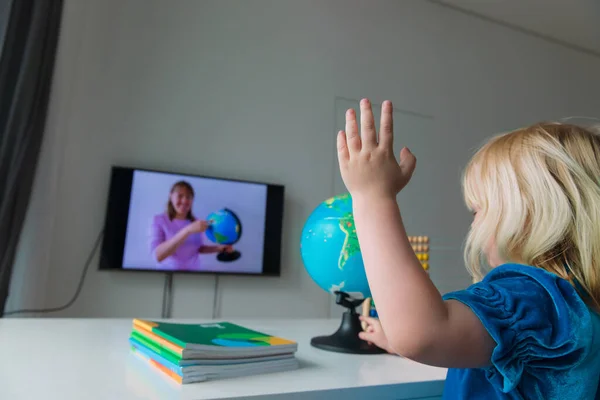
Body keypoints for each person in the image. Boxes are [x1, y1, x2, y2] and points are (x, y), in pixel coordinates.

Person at [337, 98, 600, 399]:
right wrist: (395, 339)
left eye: (478, 211)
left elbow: (423, 334)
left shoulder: (534, 298)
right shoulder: (576, 304)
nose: (473, 226)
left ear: (527, 216)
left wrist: (372, 196)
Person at [149, 180, 233, 270]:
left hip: (193, 277)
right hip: (168, 277)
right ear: (171, 196)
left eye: (188, 197)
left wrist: (218, 248)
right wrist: (187, 230)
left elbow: (198, 248)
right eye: (180, 196)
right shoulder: (159, 220)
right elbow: (157, 256)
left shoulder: (196, 222)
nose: (184, 201)